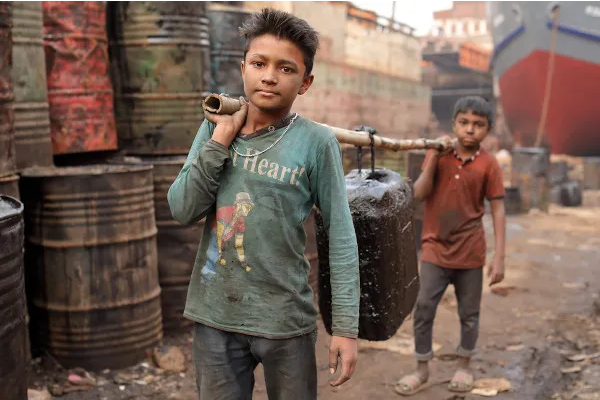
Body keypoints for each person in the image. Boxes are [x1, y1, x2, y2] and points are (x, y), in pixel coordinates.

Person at [167, 8, 360, 400]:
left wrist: (345, 328)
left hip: (284, 319)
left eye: (286, 69)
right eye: (259, 63)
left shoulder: (316, 143)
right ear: (243, 68)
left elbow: (340, 235)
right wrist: (220, 139)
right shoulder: (216, 125)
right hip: (215, 314)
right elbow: (182, 209)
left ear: (305, 83)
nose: (269, 76)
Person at [396, 96, 506, 395]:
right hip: (434, 248)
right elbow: (418, 193)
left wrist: (500, 257)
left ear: (488, 129)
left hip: (471, 252)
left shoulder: (489, 164)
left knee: (469, 313)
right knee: (423, 307)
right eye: (464, 123)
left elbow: (497, 208)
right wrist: (432, 155)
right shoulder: (440, 155)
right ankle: (421, 369)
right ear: (454, 124)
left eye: (478, 125)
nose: (470, 130)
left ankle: (464, 365)